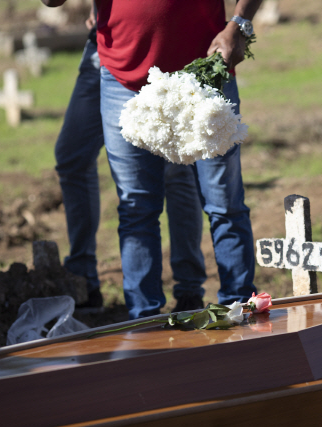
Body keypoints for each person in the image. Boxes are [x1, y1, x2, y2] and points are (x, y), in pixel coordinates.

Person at [43, 0, 262, 319]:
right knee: (136, 208)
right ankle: (145, 321)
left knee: (224, 202)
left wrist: (239, 24)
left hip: (204, 70)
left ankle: (240, 308)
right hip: (123, 77)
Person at [52, 5, 207, 315]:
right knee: (72, 154)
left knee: (175, 168)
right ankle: (83, 275)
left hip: (162, 45)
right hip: (103, 44)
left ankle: (189, 289)